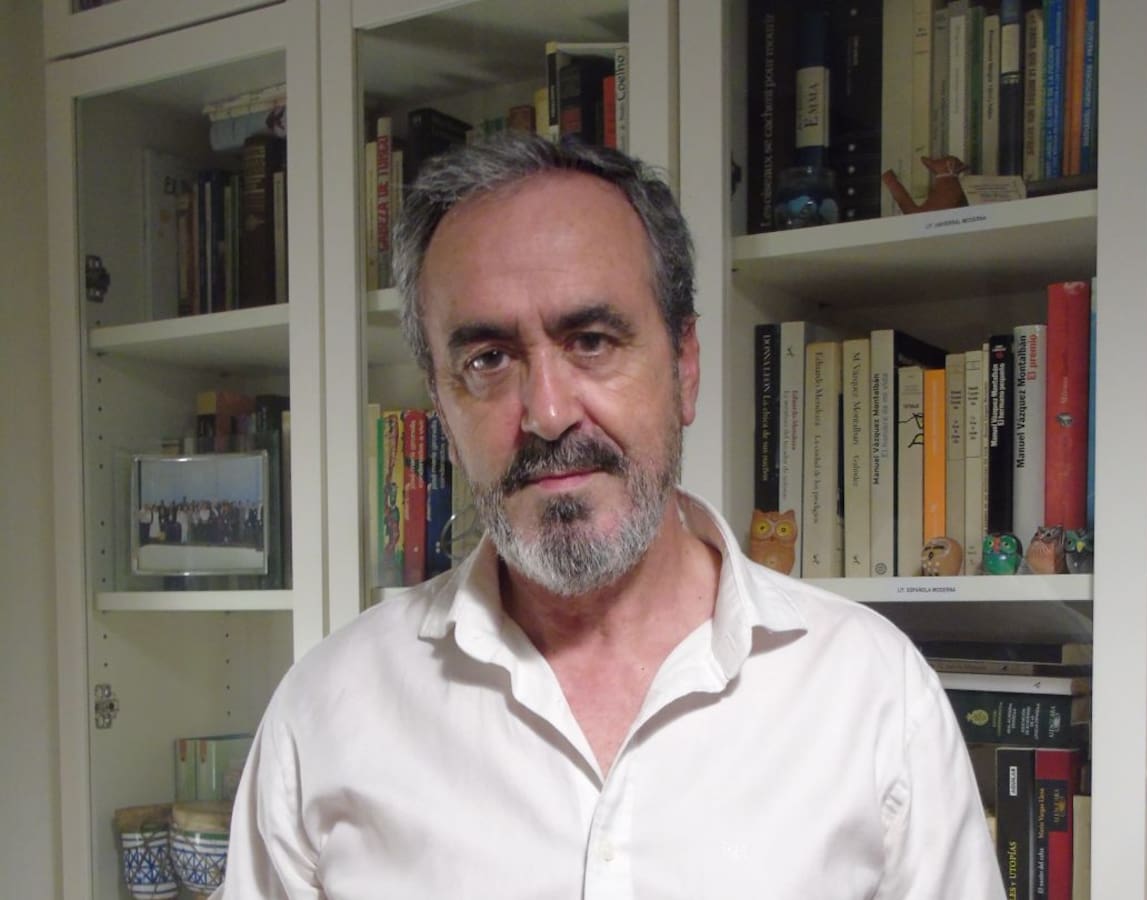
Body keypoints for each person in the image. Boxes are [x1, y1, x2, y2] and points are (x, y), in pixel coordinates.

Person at [215, 133, 1004, 899]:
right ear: (442, 406)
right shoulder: (327, 711)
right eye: (488, 360)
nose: (549, 412)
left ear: (685, 366)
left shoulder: (872, 693)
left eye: (591, 340)